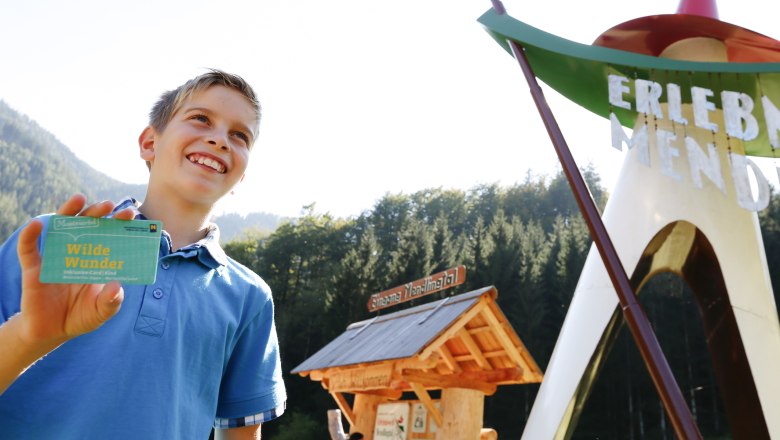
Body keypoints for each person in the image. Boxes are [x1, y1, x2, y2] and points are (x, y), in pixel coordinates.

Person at [0, 69, 286, 439]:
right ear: (150, 142)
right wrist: (28, 337)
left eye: (239, 135)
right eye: (201, 119)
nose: (219, 140)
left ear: (241, 176)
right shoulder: (50, 241)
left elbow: (242, 432)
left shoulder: (249, 297)